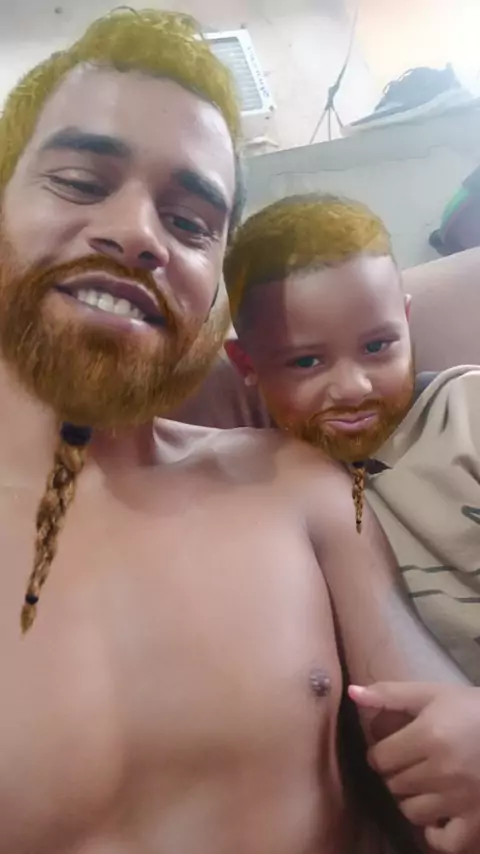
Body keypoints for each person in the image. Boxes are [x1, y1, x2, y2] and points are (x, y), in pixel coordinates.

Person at [0, 12, 464, 852]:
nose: (138, 233)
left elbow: (442, 741)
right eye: (78, 181)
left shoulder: (294, 482)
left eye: (189, 224)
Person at [223, 192, 480, 854]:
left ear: (407, 321)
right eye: (307, 361)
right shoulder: (264, 491)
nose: (355, 387)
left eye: (377, 345)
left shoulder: (468, 413)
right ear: (246, 366)